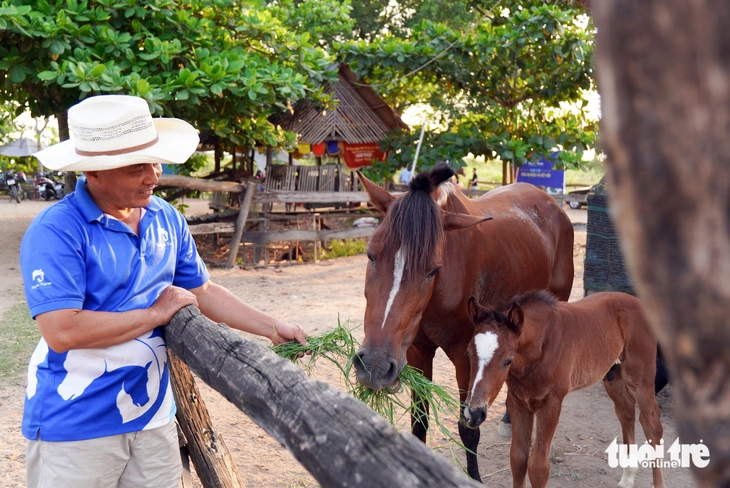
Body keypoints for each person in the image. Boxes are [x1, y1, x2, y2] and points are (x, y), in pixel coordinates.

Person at [20, 95, 308, 488]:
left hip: (153, 414)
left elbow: (202, 291)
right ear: (94, 171)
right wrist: (157, 314)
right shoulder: (57, 230)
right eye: (137, 166)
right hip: (77, 422)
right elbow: (62, 331)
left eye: (155, 161)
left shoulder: (165, 217)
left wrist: (273, 327)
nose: (153, 175)